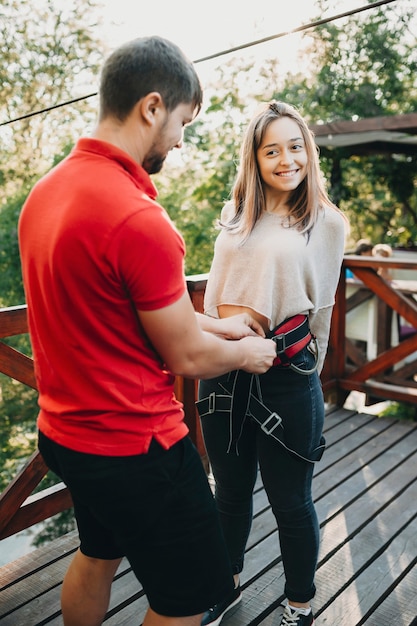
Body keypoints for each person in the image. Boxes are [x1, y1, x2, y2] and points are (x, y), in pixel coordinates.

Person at [18, 37, 277, 626]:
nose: (182, 140)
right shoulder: (138, 217)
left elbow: (120, 314)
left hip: (67, 434)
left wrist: (222, 325)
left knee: (97, 555)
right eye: (183, 121)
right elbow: (185, 353)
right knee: (189, 599)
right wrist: (249, 353)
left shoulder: (45, 195)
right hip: (138, 447)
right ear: (153, 107)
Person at [196, 101, 348, 626]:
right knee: (229, 494)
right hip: (222, 370)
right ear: (255, 159)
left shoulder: (326, 222)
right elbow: (213, 300)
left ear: (308, 150)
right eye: (271, 150)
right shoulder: (238, 216)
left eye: (295, 145)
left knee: (291, 502)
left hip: (287, 375)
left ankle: (300, 604)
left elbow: (323, 309)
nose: (287, 159)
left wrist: (314, 381)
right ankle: (226, 585)